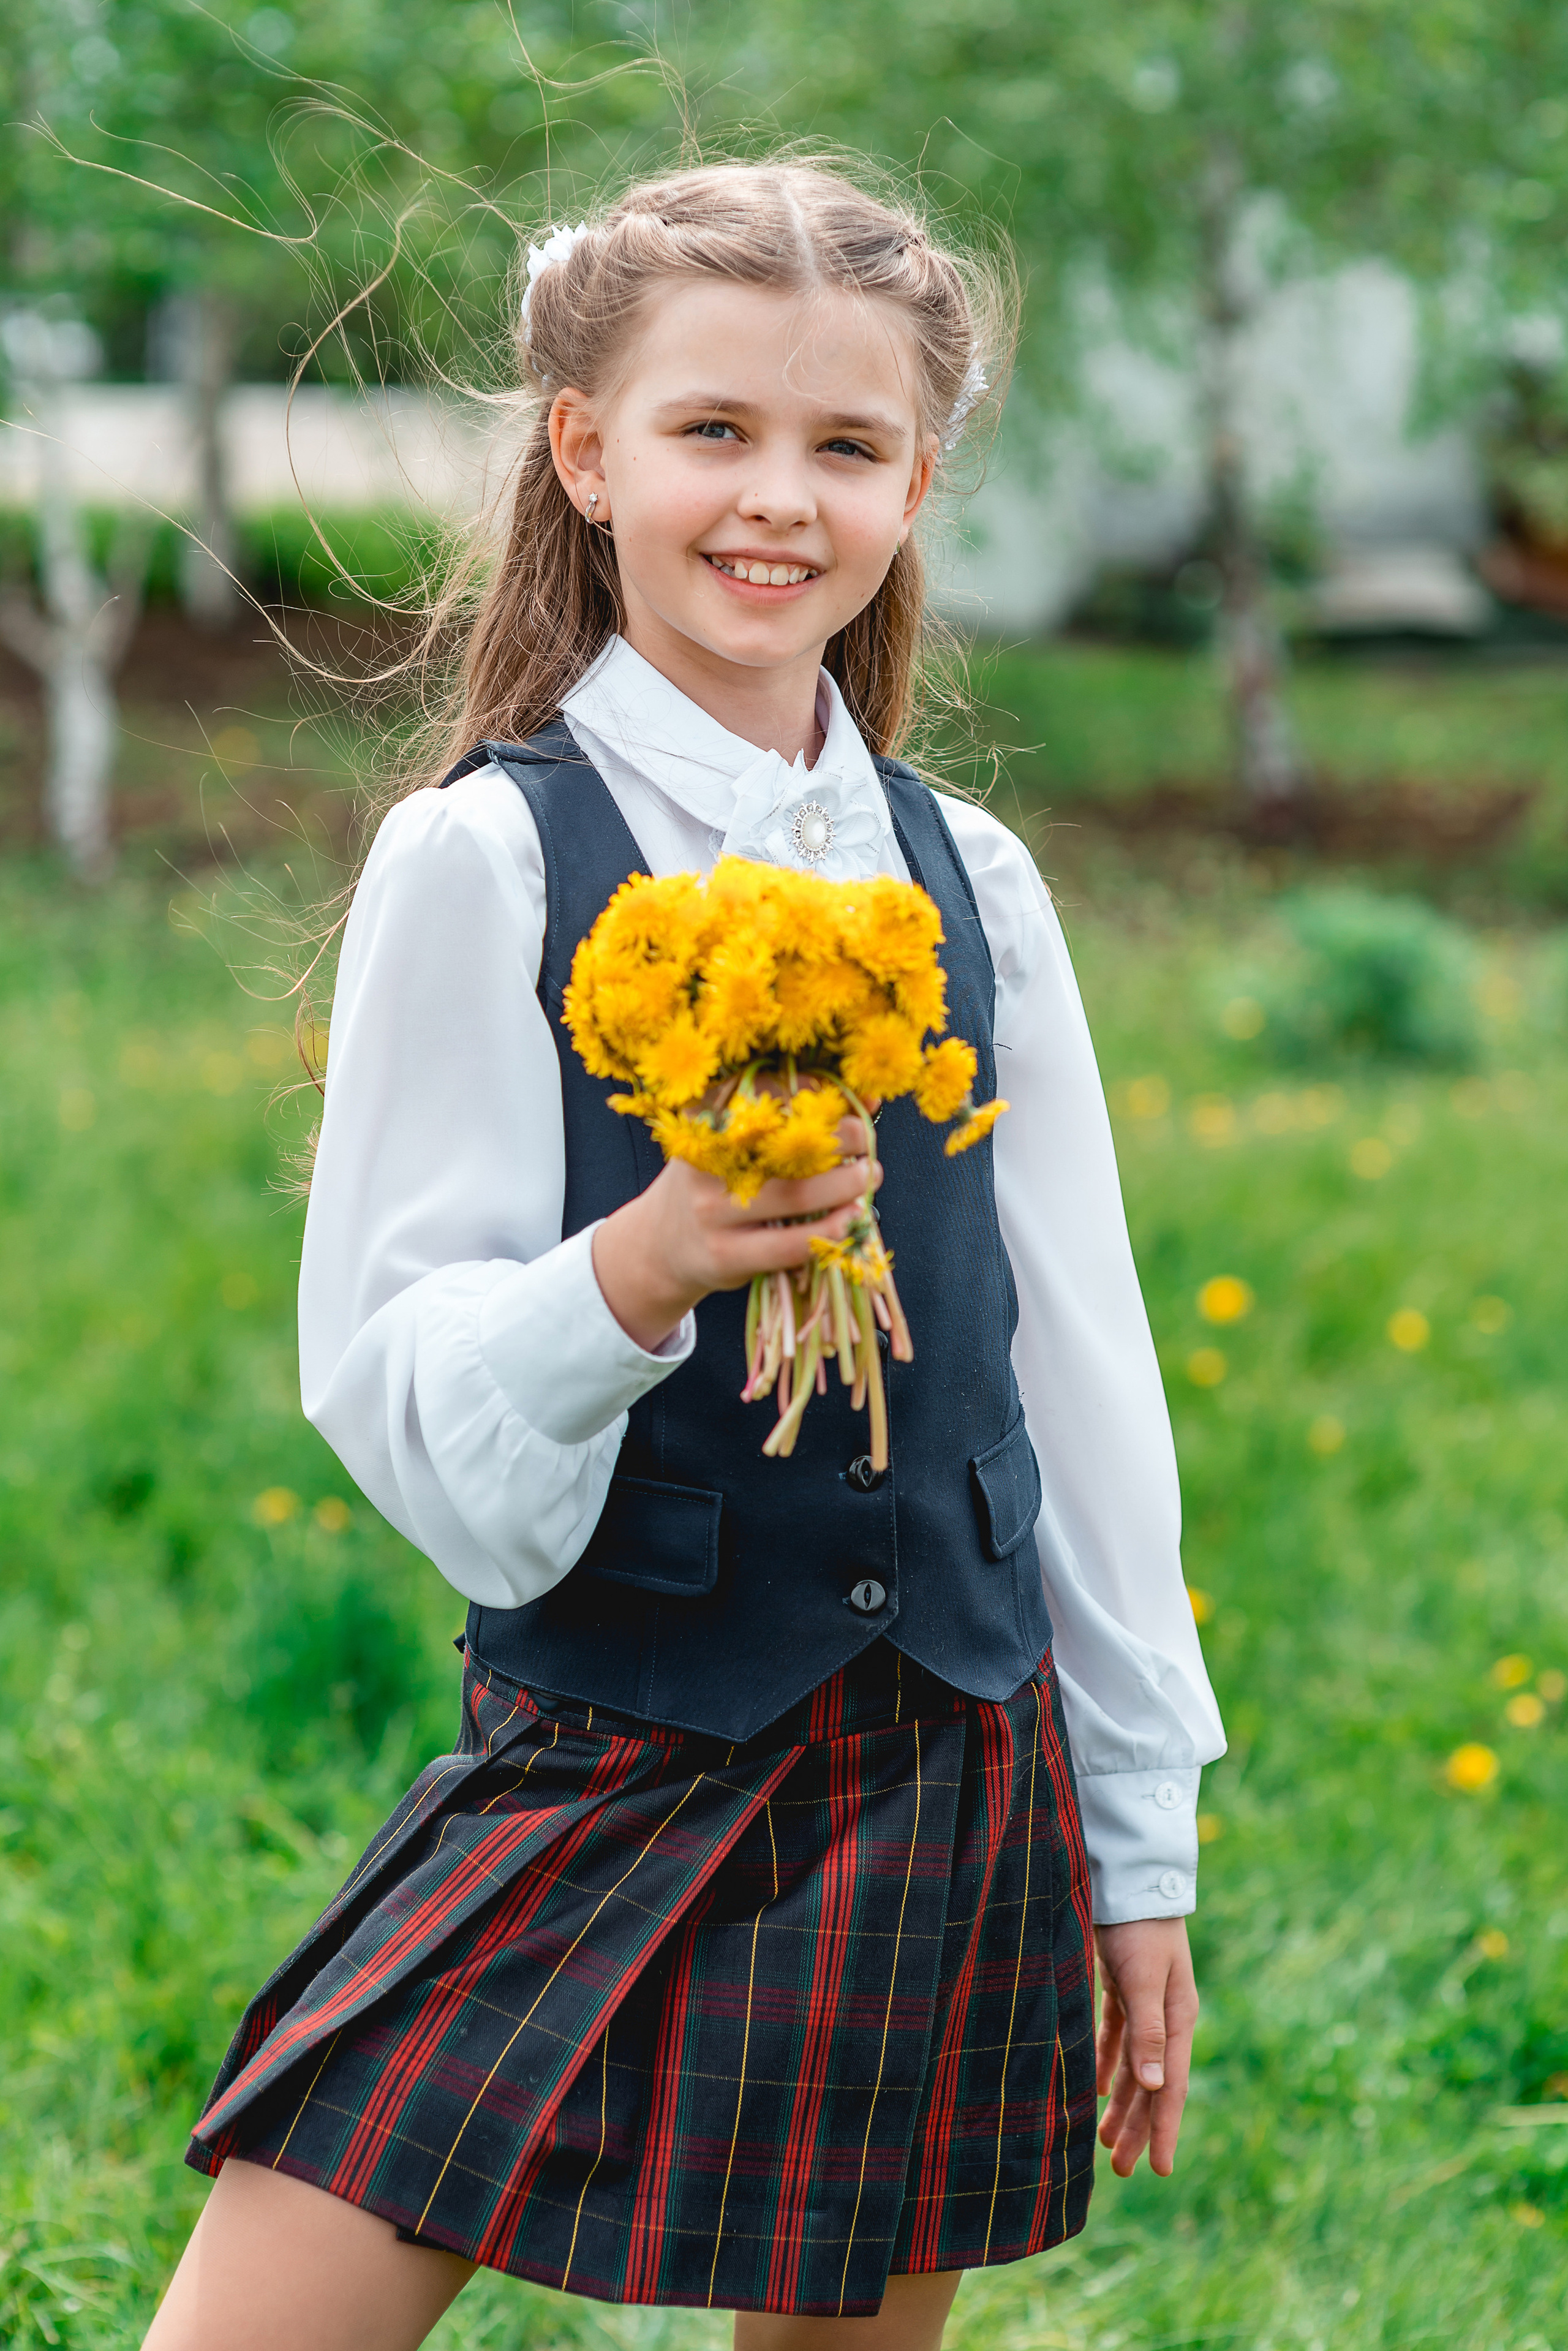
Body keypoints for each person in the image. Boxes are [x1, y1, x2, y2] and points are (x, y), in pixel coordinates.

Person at [144, 158, 1224, 2351]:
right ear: (587, 450)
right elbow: (396, 1370)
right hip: (623, 1726)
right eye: (711, 430)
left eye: (845, 448)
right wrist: (640, 1266)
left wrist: (1140, 1845)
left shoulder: (973, 883)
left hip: (950, 1739)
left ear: (918, 482)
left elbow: (1077, 1380)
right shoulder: (485, 857)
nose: (777, 501)